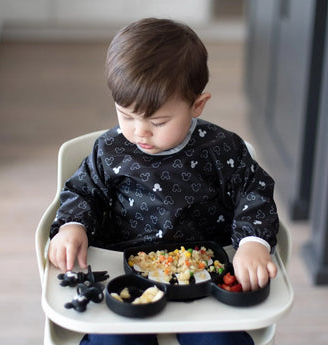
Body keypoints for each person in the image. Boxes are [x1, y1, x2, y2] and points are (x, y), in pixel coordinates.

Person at [48, 18, 279, 345]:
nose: (140, 131)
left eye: (158, 121)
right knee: (112, 342)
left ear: (196, 105)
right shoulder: (111, 150)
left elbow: (253, 192)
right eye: (126, 115)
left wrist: (253, 244)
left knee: (220, 342)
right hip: (125, 277)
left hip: (204, 281)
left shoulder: (221, 150)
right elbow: (82, 192)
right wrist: (73, 226)